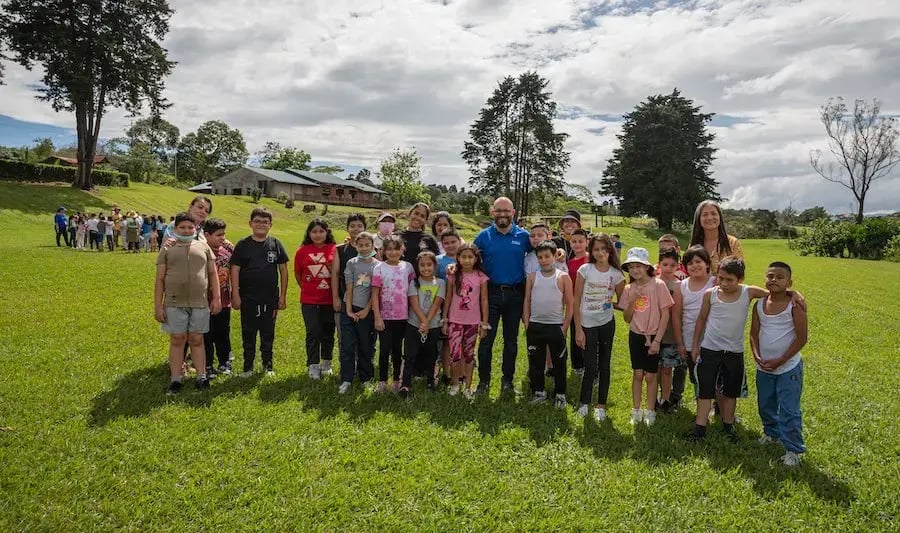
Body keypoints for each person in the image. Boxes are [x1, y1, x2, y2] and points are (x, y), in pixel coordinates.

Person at [687, 257, 768, 443]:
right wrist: (695, 345)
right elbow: (701, 319)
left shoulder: (749, 292)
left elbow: (774, 293)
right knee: (705, 390)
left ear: (741, 278)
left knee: (731, 392)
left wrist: (794, 294)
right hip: (709, 350)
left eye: (729, 280)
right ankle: (700, 428)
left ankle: (728, 425)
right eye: (720, 278)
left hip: (734, 352)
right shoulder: (711, 294)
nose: (723, 283)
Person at [154, 212, 221, 394]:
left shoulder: (203, 247)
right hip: (174, 302)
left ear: (195, 228)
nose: (186, 230)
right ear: (174, 229)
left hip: (200, 302)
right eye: (182, 227)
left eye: (190, 227)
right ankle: (176, 379)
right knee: (177, 339)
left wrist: (216, 298)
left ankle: (201, 377)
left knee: (197, 339)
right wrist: (158, 305)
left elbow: (213, 274)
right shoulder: (167, 249)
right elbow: (159, 279)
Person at [472, 197, 533, 395]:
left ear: (513, 213)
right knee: (486, 339)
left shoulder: (524, 237)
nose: (503, 214)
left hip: (516, 295)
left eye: (506, 211)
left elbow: (543, 252)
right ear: (492, 212)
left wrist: (558, 251)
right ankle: (483, 382)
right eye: (499, 211)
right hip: (490, 295)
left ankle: (507, 381)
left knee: (511, 341)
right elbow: (467, 258)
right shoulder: (483, 236)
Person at [750, 261, 808, 466]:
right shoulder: (759, 305)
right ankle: (771, 434)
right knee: (765, 404)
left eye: (780, 277)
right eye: (770, 276)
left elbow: (801, 338)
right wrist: (757, 356)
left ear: (789, 282)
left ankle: (793, 450)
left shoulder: (795, 305)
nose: (774, 280)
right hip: (764, 367)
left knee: (789, 409)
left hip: (788, 367)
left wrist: (780, 360)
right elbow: (753, 334)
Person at [230, 208, 289, 377]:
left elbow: (283, 270)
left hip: (270, 299)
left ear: (270, 225)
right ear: (250, 224)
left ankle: (267, 366)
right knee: (248, 333)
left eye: (265, 222)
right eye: (257, 221)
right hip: (248, 298)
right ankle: (248, 367)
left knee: (268, 333)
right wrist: (236, 294)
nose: (261, 224)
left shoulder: (275, 244)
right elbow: (234, 269)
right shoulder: (243, 245)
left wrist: (282, 296)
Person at [620, 247, 674, 426]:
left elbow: (665, 314)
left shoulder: (658, 285)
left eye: (639, 266)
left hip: (653, 336)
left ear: (647, 267)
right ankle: (636, 410)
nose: (635, 270)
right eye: (631, 267)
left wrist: (657, 340)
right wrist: (632, 300)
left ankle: (650, 410)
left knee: (651, 376)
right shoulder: (629, 289)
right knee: (637, 374)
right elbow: (627, 319)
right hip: (635, 335)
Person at [574, 233, 625, 420]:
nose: (601, 252)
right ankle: (584, 402)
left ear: (610, 250)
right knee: (590, 365)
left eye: (604, 249)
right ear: (591, 251)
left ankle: (600, 405)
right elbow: (576, 299)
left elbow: (624, 301)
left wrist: (610, 304)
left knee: (604, 365)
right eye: (596, 249)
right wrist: (578, 329)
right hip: (587, 324)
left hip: (606, 324)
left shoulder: (616, 274)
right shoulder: (584, 270)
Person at [523, 240, 574, 409]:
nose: (544, 260)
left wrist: (564, 327)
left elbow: (570, 303)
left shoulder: (563, 277)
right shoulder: (532, 277)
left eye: (547, 256)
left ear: (554, 256)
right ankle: (539, 391)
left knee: (559, 362)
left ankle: (560, 394)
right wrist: (527, 322)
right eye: (540, 257)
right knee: (536, 363)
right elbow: (527, 300)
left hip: (555, 326)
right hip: (535, 325)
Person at [671, 245, 715, 411]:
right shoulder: (681, 286)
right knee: (696, 376)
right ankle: (703, 407)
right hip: (689, 340)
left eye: (698, 261)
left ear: (707, 264)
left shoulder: (716, 282)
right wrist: (680, 343)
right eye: (690, 263)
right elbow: (676, 315)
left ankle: (717, 407)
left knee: (714, 376)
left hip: (713, 340)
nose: (694, 265)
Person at [441, 243, 489, 397]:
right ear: (458, 258)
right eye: (463, 257)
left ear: (476, 258)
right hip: (455, 321)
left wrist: (484, 323)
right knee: (455, 354)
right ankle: (455, 384)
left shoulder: (481, 277)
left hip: (473, 323)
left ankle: (468, 387)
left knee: (469, 355)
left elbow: (484, 300)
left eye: (470, 257)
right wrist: (445, 318)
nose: (467, 260)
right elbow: (448, 297)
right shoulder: (453, 275)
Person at [294, 218, 337, 380]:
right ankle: (313, 364)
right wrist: (308, 289)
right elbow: (298, 274)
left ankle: (326, 362)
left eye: (321, 231)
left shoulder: (335, 249)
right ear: (309, 233)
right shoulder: (302, 251)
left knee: (328, 332)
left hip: (329, 300)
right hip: (309, 301)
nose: (318, 235)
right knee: (313, 332)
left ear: (327, 232)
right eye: (314, 231)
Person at [371, 235, 415, 393]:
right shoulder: (379, 268)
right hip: (385, 317)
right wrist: (377, 316)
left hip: (404, 317)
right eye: (389, 249)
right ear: (383, 251)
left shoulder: (408, 267)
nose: (393, 252)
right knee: (384, 350)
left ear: (402, 250)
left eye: (396, 248)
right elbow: (374, 294)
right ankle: (382, 381)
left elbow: (413, 292)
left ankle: (397, 380)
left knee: (398, 350)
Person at [400, 251, 446, 397]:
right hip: (414, 324)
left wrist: (426, 323)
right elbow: (414, 303)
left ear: (434, 266)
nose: (426, 268)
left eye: (429, 265)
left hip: (433, 325)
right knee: (410, 354)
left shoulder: (440, 283)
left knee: (431, 354)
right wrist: (422, 322)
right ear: (417, 266)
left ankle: (431, 381)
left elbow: (437, 303)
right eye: (422, 265)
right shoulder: (413, 282)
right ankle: (405, 384)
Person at [339, 232, 379, 394]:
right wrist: (348, 310)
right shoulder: (351, 263)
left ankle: (366, 378)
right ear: (356, 245)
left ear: (372, 246)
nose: (364, 248)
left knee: (365, 345)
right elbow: (349, 287)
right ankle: (347, 378)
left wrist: (366, 310)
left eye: (367, 245)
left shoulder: (377, 265)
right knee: (347, 345)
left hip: (366, 312)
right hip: (349, 308)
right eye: (360, 245)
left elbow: (376, 292)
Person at [203, 218, 234, 376]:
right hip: (203, 301)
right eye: (218, 235)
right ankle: (207, 364)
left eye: (224, 234)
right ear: (207, 235)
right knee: (206, 333)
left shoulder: (228, 250)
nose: (222, 237)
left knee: (223, 331)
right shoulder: (200, 250)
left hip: (224, 300)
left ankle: (224, 361)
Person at [331, 213, 367, 351]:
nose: (356, 229)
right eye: (352, 226)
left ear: (365, 228)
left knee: (364, 338)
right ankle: (346, 367)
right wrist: (335, 298)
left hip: (365, 302)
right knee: (344, 336)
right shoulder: (340, 249)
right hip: (344, 298)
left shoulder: (373, 250)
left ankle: (363, 367)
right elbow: (335, 274)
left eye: (359, 226)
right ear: (347, 228)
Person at [656, 247, 684, 412]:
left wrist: (678, 338)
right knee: (655, 369)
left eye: (672, 265)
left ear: (678, 266)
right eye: (665, 264)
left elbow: (677, 313)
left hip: (671, 334)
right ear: (659, 264)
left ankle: (666, 400)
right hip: (653, 332)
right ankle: (655, 398)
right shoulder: (652, 282)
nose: (668, 268)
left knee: (667, 369)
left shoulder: (679, 285)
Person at [689, 200, 744, 275]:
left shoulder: (732, 243)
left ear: (720, 217)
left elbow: (739, 272)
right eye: (705, 215)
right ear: (699, 219)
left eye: (713, 214)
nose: (710, 218)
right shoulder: (694, 245)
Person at [566, 228, 590, 374]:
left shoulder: (591, 260)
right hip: (575, 303)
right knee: (576, 331)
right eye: (574, 242)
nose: (577, 244)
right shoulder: (569, 263)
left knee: (588, 332)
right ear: (570, 244)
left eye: (581, 241)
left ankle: (590, 362)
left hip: (589, 302)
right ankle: (577, 365)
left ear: (587, 242)